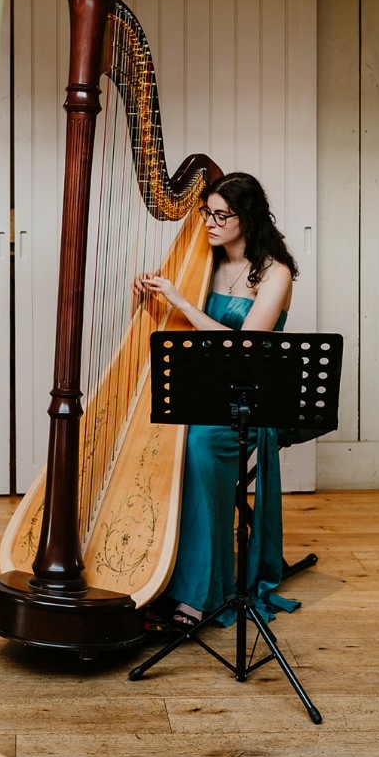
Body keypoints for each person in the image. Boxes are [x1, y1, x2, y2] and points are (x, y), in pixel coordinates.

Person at [137, 171, 300, 629]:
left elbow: (245, 348)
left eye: (221, 215)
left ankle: (198, 595)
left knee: (198, 448)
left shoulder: (274, 274)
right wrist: (149, 297)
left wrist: (182, 303)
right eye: (206, 213)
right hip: (201, 392)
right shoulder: (203, 263)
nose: (209, 222)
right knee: (152, 444)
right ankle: (152, 575)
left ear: (247, 217)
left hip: (247, 402)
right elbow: (170, 331)